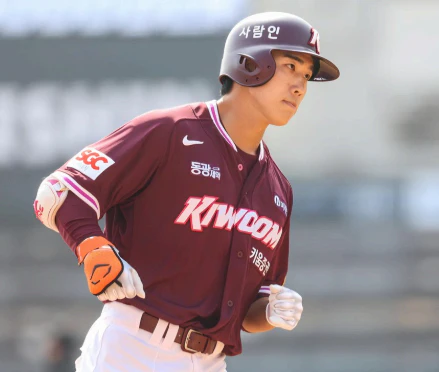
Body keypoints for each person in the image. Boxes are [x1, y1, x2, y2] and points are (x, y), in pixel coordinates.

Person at [33, 11, 339, 371]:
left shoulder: (278, 190)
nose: (301, 86)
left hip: (210, 362)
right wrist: (92, 244)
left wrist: (270, 311)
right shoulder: (171, 131)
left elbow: (246, 313)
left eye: (306, 76)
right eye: (290, 66)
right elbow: (57, 192)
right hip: (134, 349)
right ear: (249, 63)